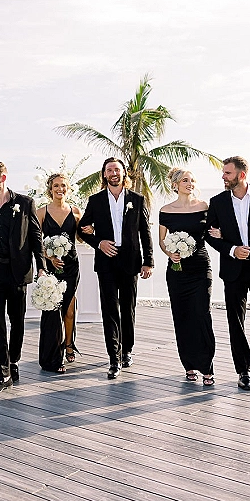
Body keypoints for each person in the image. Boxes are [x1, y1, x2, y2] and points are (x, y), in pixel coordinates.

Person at [0, 160, 47, 394]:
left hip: (18, 273)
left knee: (17, 321)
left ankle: (13, 360)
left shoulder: (25, 203)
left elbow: (36, 236)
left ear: (3, 178)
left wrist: (42, 267)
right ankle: (3, 373)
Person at [80, 157, 153, 379]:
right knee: (109, 309)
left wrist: (148, 261)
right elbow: (83, 229)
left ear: (124, 173)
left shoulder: (137, 199)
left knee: (127, 309)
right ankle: (114, 357)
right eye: (109, 170)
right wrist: (99, 243)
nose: (114, 173)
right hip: (106, 262)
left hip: (130, 261)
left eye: (117, 170)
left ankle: (127, 350)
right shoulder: (95, 200)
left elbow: (145, 233)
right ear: (104, 174)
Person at [206, 156, 250, 391]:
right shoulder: (217, 202)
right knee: (236, 321)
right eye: (224, 173)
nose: (223, 177)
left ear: (241, 175)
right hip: (233, 270)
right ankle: (243, 370)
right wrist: (232, 249)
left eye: (228, 173)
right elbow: (209, 235)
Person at [158, 169, 215, 386]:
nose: (190, 183)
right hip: (177, 270)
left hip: (201, 267)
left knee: (201, 315)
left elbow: (213, 231)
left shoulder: (204, 207)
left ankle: (207, 366)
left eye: (192, 180)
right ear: (175, 185)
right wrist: (169, 253)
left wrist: (219, 234)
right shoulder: (166, 210)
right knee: (181, 317)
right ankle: (189, 364)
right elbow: (162, 241)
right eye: (185, 180)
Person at [36, 173, 82, 373]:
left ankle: (69, 344)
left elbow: (80, 239)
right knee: (52, 311)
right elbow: (35, 242)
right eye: (56, 185)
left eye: (63, 185)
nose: (59, 188)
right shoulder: (41, 212)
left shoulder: (76, 211)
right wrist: (49, 257)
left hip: (71, 267)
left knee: (69, 310)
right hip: (51, 268)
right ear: (50, 189)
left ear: (68, 188)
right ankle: (52, 356)